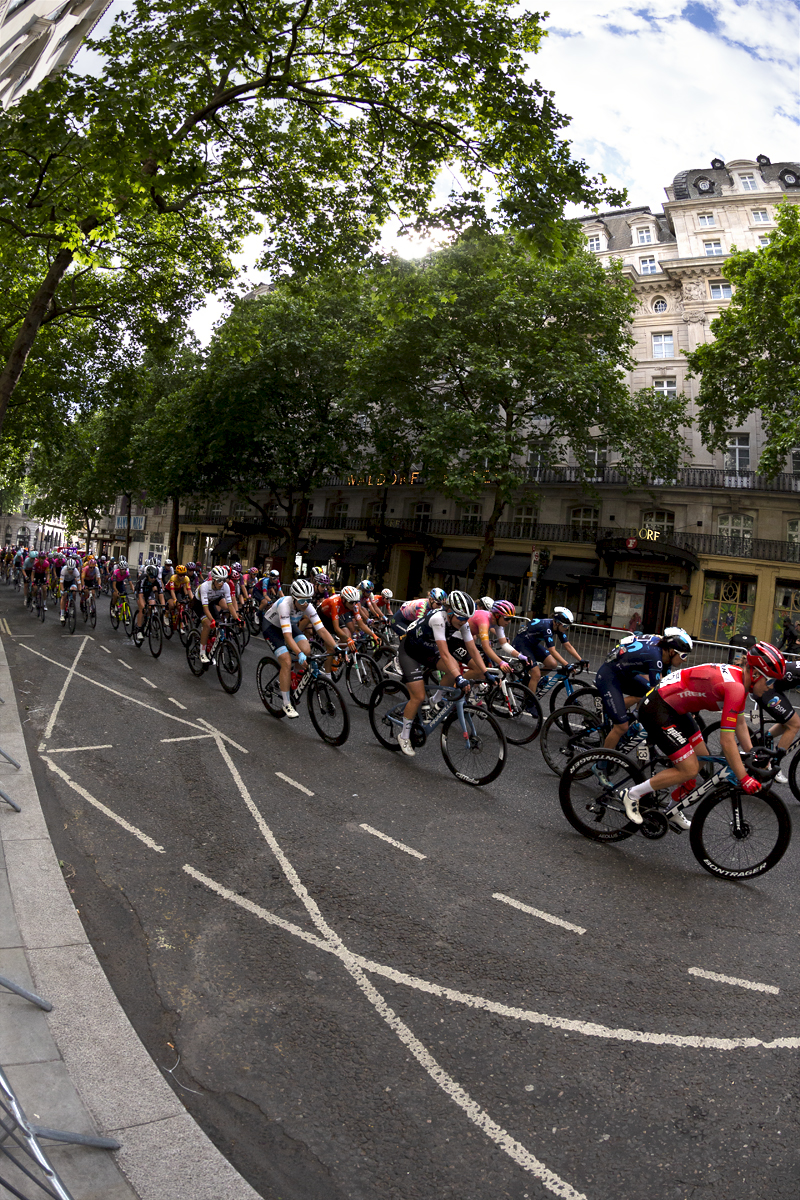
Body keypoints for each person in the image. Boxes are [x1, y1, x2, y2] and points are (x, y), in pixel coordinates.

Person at [623, 641, 786, 828]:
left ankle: (673, 808)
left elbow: (740, 722)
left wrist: (752, 755)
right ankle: (632, 794)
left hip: (676, 708)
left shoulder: (740, 680)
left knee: (702, 759)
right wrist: (744, 778)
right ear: (756, 674)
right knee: (689, 769)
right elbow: (726, 741)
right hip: (658, 708)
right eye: (771, 681)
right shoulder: (736, 688)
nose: (770, 687)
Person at [396, 590, 489, 757]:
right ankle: (403, 736)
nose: (464, 622)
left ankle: (435, 701)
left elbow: (472, 649)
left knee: (454, 670)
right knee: (417, 696)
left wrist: (486, 672)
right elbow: (445, 653)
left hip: (428, 650)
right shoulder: (438, 619)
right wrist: (460, 679)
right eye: (461, 617)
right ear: (450, 612)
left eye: (467, 618)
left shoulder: (462, 622)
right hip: (410, 651)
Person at [596, 628, 693, 752]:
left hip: (624, 674)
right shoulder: (655, 658)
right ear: (672, 652)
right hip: (609, 677)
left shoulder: (664, 653)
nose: (685, 660)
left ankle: (624, 714)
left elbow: (668, 682)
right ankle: (601, 765)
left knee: (645, 694)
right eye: (683, 655)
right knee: (621, 727)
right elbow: (656, 695)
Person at [261, 577, 338, 717]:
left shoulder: (307, 605)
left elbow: (321, 630)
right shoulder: (285, 605)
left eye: (308, 600)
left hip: (288, 625)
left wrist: (336, 647)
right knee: (286, 660)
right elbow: (287, 636)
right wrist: (298, 653)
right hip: (272, 627)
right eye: (302, 600)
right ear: (294, 598)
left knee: (307, 649)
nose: (305, 604)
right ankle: (286, 703)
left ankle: (294, 676)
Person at [751, 657, 800, 784]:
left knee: (788, 720)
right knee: (794, 725)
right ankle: (774, 764)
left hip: (773, 688)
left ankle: (768, 736)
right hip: (766, 689)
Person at [512, 607, 582, 691]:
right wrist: (566, 665)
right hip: (521, 644)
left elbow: (568, 646)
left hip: (532, 644)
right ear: (557, 622)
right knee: (536, 674)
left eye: (569, 626)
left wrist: (581, 660)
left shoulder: (558, 627)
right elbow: (552, 650)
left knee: (552, 664)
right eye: (566, 625)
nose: (567, 628)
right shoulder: (546, 627)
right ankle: (530, 702)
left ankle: (533, 680)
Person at [134, 563, 163, 640]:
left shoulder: (157, 580)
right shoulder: (143, 579)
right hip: (140, 592)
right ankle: (139, 630)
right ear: (147, 575)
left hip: (149, 591)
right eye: (151, 577)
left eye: (155, 577)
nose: (153, 579)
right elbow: (140, 596)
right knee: (142, 609)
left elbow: (161, 594)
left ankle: (148, 619)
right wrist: (143, 607)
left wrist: (163, 607)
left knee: (152, 605)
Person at [59, 557, 82, 624]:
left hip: (71, 582)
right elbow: (61, 583)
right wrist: (63, 590)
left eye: (72, 569)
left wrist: (80, 590)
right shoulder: (64, 570)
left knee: (74, 591)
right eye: (69, 569)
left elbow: (79, 583)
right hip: (64, 582)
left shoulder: (76, 571)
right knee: (64, 596)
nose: (71, 571)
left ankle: (72, 604)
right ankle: (62, 614)